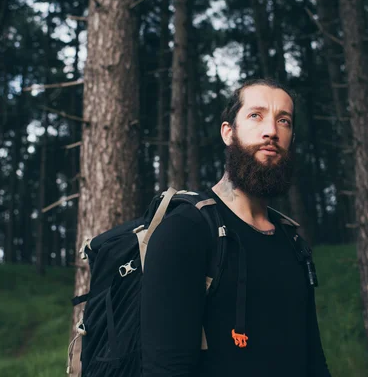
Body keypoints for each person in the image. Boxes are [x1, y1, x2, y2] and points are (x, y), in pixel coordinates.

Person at [141, 79, 331, 376]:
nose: (271, 131)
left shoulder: (292, 242)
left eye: (284, 120)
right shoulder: (186, 230)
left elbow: (313, 360)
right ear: (228, 132)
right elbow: (165, 368)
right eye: (256, 115)